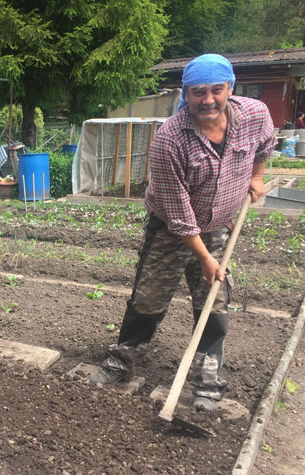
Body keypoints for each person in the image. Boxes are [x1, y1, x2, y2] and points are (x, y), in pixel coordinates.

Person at [91, 54, 275, 411]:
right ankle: (120, 362)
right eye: (198, 92)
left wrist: (256, 177)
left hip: (219, 224)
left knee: (213, 302)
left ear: (230, 88)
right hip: (171, 228)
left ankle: (207, 381)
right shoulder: (169, 139)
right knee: (148, 297)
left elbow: (265, 146)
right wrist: (205, 258)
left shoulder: (255, 115)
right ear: (186, 95)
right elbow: (178, 214)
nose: (208, 100)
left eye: (216, 90)